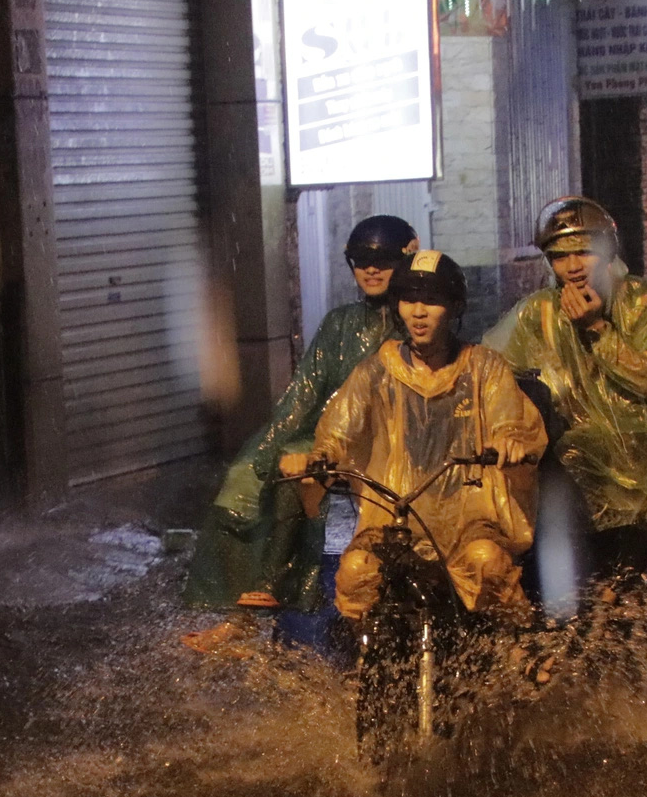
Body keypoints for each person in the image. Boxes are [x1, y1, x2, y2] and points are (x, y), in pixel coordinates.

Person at [182, 216, 418, 651]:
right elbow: (302, 396)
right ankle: (249, 610)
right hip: (333, 442)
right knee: (257, 479)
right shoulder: (340, 324)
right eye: (359, 261)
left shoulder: (418, 321)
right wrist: (264, 452)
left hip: (399, 449)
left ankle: (258, 610)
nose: (370, 269)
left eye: (381, 259)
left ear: (410, 255)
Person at [483, 196, 647, 589]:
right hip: (582, 447)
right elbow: (491, 368)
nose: (574, 266)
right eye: (561, 256)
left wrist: (598, 328)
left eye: (584, 252)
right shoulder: (539, 313)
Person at [285, 251, 547, 623]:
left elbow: (510, 420)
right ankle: (363, 663)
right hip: (392, 518)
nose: (419, 312)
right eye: (409, 300)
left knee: (488, 563)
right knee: (357, 569)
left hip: (469, 518)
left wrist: (509, 442)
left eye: (433, 301)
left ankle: (517, 652)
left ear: (455, 307)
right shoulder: (376, 371)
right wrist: (317, 458)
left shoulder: (485, 368)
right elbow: (339, 431)